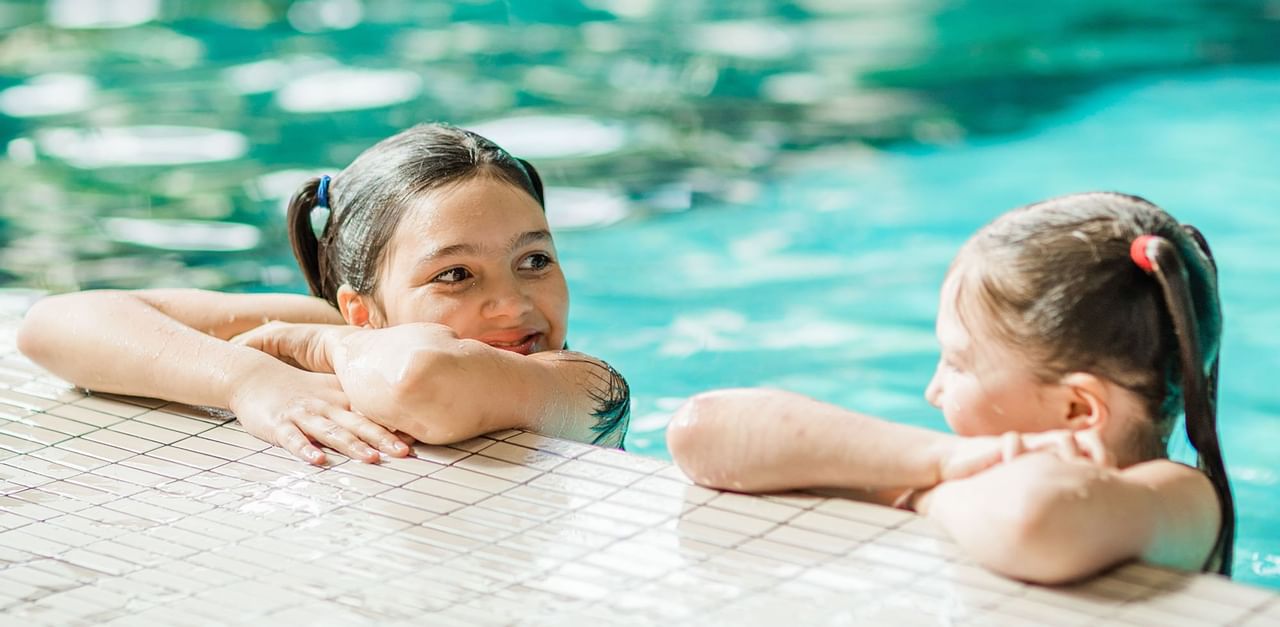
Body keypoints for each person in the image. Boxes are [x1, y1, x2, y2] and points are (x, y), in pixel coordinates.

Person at [666, 192, 1233, 584]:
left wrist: (924, 490)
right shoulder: (963, 466)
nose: (933, 392)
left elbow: (1035, 522)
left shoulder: (1180, 499)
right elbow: (701, 433)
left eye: (957, 364)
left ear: (1075, 407)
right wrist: (944, 458)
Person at [18, 124, 630, 466]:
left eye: (534, 260)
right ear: (361, 312)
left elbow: (421, 379)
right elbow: (53, 324)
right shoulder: (348, 336)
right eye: (456, 275)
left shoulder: (582, 383)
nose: (514, 304)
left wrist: (308, 340)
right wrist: (248, 380)